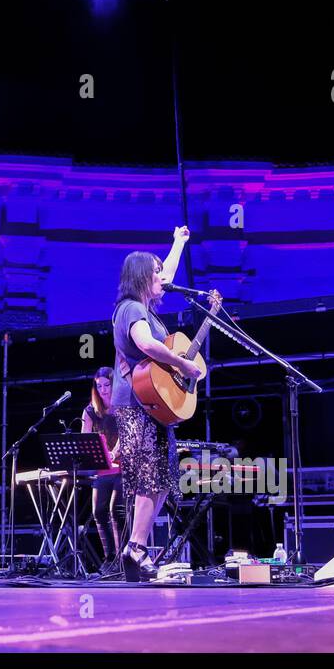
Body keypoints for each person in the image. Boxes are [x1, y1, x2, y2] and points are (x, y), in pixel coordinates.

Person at [111, 226, 221, 581]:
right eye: (155, 272)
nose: (162, 277)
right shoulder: (130, 309)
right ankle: (135, 549)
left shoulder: (148, 309)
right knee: (149, 478)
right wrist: (183, 364)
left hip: (153, 406)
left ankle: (137, 549)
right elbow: (144, 344)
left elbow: (169, 277)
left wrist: (179, 243)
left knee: (161, 479)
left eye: (161, 271)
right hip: (136, 402)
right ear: (142, 276)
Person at [80, 366, 122, 572]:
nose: (103, 390)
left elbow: (127, 433)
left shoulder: (123, 406)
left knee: (117, 510)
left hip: (123, 468)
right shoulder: (90, 410)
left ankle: (123, 559)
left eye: (107, 385)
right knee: (99, 511)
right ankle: (109, 558)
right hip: (102, 469)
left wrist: (114, 452)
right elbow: (85, 437)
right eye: (99, 386)